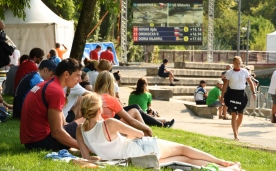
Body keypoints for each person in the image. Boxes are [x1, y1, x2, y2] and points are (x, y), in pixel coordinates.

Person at [76, 93, 241, 171]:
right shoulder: (109, 123)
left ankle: (224, 168)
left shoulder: (80, 130)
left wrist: (99, 156)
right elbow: (139, 134)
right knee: (183, 150)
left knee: (180, 158)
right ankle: (222, 163)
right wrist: (126, 135)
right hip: (139, 149)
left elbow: (86, 157)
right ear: (99, 109)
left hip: (132, 160)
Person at [20, 58, 84, 151]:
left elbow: (63, 124)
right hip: (41, 142)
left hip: (31, 142)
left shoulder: (49, 84)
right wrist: (83, 147)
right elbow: (57, 132)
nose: (80, 80)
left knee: (79, 124)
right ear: (66, 74)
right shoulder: (56, 91)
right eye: (77, 75)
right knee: (86, 121)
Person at [220, 56, 256, 141]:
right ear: (233, 63)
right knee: (233, 115)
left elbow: (250, 82)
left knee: (240, 116)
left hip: (241, 94)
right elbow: (225, 85)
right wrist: (222, 97)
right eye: (236, 63)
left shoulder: (245, 71)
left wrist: (254, 92)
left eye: (239, 63)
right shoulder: (229, 73)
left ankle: (236, 129)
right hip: (232, 93)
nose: (238, 64)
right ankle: (235, 135)